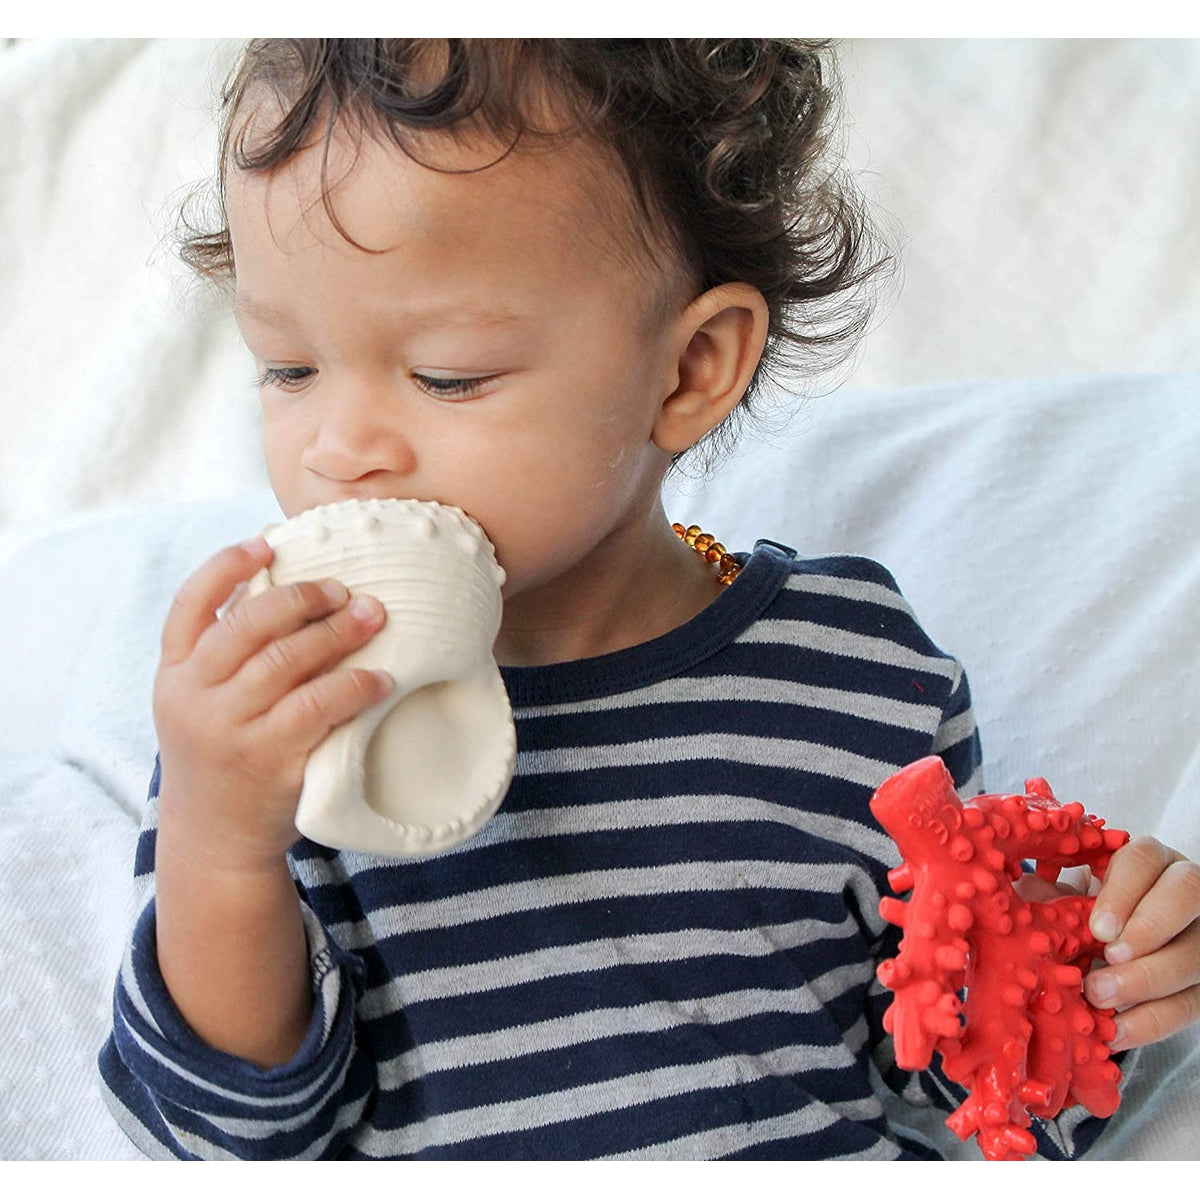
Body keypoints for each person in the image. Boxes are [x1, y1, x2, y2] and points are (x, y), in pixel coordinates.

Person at [98, 39, 1200, 1160]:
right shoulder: (278, 720)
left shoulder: (856, 673)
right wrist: (219, 846)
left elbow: (979, 1090)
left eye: (447, 375)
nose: (337, 449)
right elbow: (225, 1137)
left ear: (689, 369)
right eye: (288, 368)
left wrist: (1096, 968)